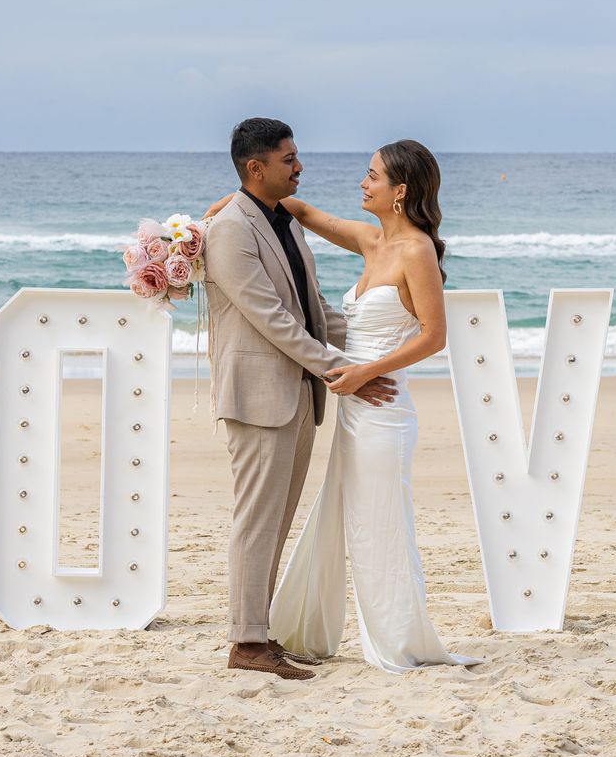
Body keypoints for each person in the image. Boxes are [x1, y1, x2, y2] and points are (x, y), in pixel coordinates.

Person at [204, 137, 480, 675]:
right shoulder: (369, 240)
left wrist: (364, 372)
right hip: (352, 401)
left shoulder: (417, 251)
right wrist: (223, 209)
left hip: (379, 402)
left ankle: (397, 641)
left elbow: (434, 336)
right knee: (337, 519)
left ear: (399, 192)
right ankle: (288, 630)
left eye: (373, 175)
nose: (363, 181)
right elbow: (296, 209)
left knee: (380, 523)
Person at [199, 119, 396, 680]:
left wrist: (378, 350)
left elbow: (312, 309)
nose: (300, 166)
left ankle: (257, 635)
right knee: (256, 522)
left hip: (298, 393)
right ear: (255, 168)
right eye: (289, 159)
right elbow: (272, 319)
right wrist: (346, 371)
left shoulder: (283, 221)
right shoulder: (231, 229)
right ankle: (246, 644)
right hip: (259, 397)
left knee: (275, 522)